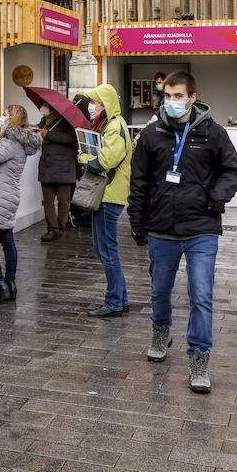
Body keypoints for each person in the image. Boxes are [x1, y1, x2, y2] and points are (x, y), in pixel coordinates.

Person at [127, 72, 237, 394]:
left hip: (201, 228)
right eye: (168, 96)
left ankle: (199, 358)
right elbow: (139, 181)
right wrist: (136, 219)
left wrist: (215, 197)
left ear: (192, 97)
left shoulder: (213, 133)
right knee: (159, 290)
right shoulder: (152, 135)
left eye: (178, 96)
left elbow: (234, 169)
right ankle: (160, 331)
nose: (172, 102)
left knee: (201, 295)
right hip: (162, 228)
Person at [0, 106, 42, 303]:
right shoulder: (16, 140)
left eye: (5, 114)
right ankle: (10, 285)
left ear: (13, 118)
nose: (2, 117)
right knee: (7, 239)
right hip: (9, 195)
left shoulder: (11, 142)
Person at [77, 84, 132, 318]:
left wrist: (83, 157)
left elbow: (105, 161)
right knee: (104, 249)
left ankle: (113, 302)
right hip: (106, 194)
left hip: (109, 195)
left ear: (105, 104)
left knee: (107, 250)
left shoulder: (114, 127)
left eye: (95, 102)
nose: (92, 107)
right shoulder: (109, 125)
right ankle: (121, 298)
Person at [36, 102, 80, 242]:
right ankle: (52, 229)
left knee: (64, 201)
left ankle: (61, 227)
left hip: (63, 168)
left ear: (52, 107)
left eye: (45, 105)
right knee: (48, 201)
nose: (43, 108)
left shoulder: (66, 120)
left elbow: (70, 138)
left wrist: (48, 135)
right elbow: (40, 133)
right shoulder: (44, 121)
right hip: (47, 166)